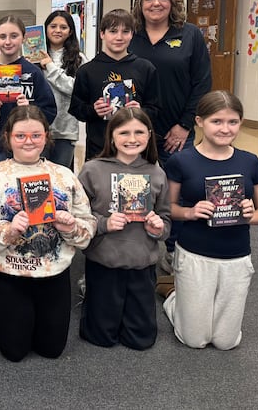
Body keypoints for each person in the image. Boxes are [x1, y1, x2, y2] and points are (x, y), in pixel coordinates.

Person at [0, 106, 95, 362]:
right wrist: (7, 230)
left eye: (36, 135)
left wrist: (71, 228)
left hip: (53, 273)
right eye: (20, 136)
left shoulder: (64, 176)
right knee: (15, 352)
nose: (28, 142)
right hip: (9, 272)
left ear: (46, 137)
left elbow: (88, 227)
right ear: (8, 137)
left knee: (51, 350)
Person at [159, 90, 258, 350]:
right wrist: (189, 212)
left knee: (226, 341)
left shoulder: (250, 162)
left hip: (236, 256)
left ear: (241, 122)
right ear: (200, 121)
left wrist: (250, 215)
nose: (225, 129)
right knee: (194, 339)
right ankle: (173, 296)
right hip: (194, 254)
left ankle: (191, 302)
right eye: (217, 121)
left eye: (233, 122)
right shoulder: (181, 161)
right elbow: (167, 208)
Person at [130, 0, 213, 272]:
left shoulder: (189, 35)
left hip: (176, 130)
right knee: (135, 189)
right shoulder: (131, 36)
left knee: (176, 191)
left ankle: (173, 248)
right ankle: (137, 246)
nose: (156, 4)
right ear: (140, 4)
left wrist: (185, 125)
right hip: (135, 131)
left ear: (173, 3)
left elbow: (202, 83)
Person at [77, 108, 171, 350]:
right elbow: (77, 216)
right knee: (100, 337)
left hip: (141, 261)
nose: (132, 139)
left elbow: (166, 221)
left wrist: (158, 228)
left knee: (141, 340)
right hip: (104, 260)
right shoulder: (92, 170)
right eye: (124, 133)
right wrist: (103, 223)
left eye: (139, 132)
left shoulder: (157, 173)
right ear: (111, 136)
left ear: (149, 135)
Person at [0, 15, 57, 171]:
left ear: (23, 38)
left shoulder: (33, 72)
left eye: (14, 36)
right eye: (2, 37)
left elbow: (50, 111)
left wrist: (31, 110)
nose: (8, 42)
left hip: (28, 147)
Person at [69, 9, 160, 162]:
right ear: (102, 34)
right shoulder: (87, 71)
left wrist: (141, 111)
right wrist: (94, 110)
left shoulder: (145, 68)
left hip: (136, 150)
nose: (119, 37)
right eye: (113, 31)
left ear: (132, 34)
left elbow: (156, 109)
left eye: (125, 32)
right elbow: (76, 109)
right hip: (99, 149)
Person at [39, 10, 88, 169]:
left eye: (63, 27)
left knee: (61, 178)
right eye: (53, 26)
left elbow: (77, 89)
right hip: (37, 129)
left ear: (70, 31)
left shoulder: (79, 58)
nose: (57, 30)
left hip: (65, 130)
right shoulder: (33, 56)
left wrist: (50, 67)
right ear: (46, 29)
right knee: (38, 176)